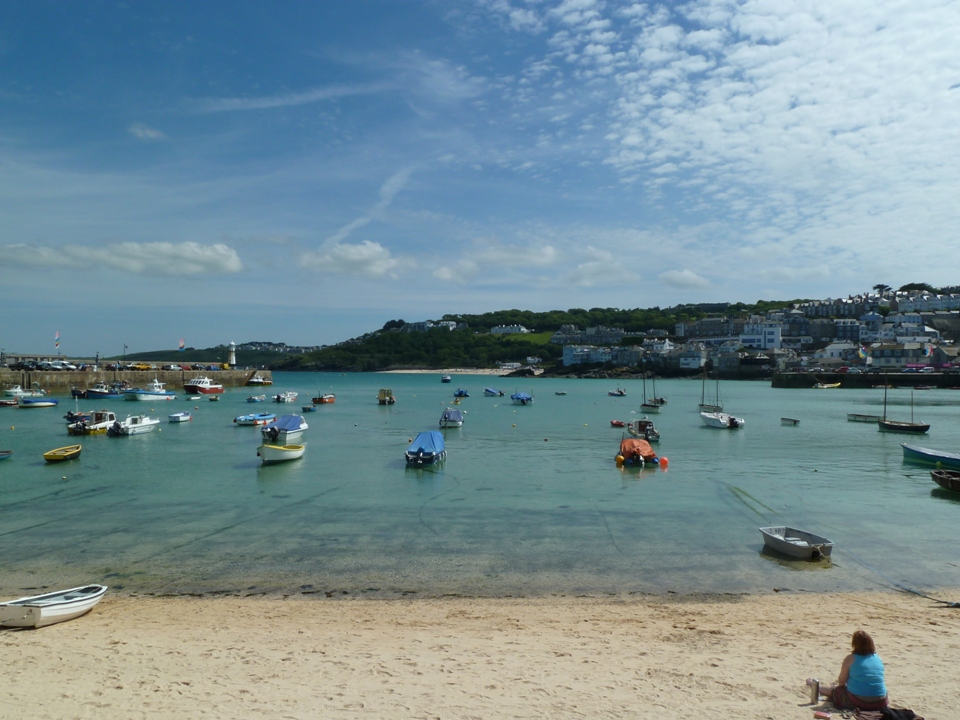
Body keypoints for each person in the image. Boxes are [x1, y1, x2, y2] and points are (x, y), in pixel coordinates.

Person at [808, 630, 889, 710]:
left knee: (836, 690)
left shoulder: (850, 659)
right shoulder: (878, 658)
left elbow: (841, 682)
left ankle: (813, 685)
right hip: (881, 701)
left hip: (860, 701)